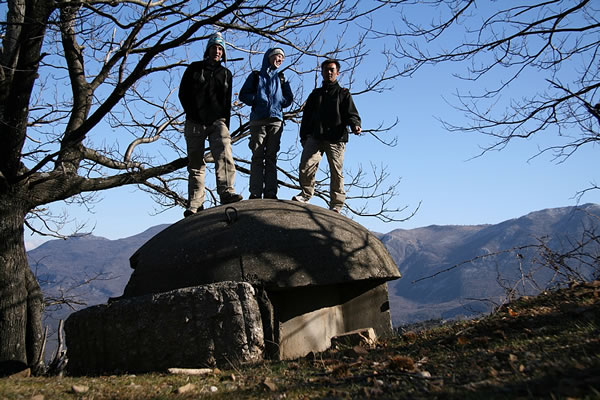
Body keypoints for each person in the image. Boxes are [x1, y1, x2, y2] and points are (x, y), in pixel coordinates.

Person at [178, 33, 243, 217]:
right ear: (208, 50)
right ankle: (195, 203)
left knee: (224, 154)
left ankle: (226, 192)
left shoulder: (226, 74)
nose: (217, 51)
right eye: (214, 48)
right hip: (195, 122)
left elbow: (227, 101)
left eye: (220, 49)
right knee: (196, 164)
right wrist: (193, 114)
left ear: (223, 53)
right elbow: (183, 94)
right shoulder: (194, 69)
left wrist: (225, 123)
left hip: (217, 122)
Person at [292, 59, 361, 213]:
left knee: (336, 171)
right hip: (316, 136)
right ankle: (305, 194)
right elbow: (306, 117)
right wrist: (304, 137)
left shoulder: (343, 93)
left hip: (336, 138)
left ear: (337, 73)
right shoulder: (315, 94)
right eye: (326, 70)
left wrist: (355, 125)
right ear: (321, 73)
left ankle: (336, 204)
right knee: (306, 165)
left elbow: (351, 113)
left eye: (332, 70)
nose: (329, 72)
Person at [239, 48, 294, 199]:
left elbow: (289, 97)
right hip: (258, 120)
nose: (280, 59)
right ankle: (255, 193)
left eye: (282, 57)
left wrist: (279, 103)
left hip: (276, 120)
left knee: (271, 157)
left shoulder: (282, 77)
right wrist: (257, 100)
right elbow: (243, 94)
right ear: (269, 57)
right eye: (278, 56)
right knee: (257, 156)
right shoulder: (256, 76)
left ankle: (270, 193)